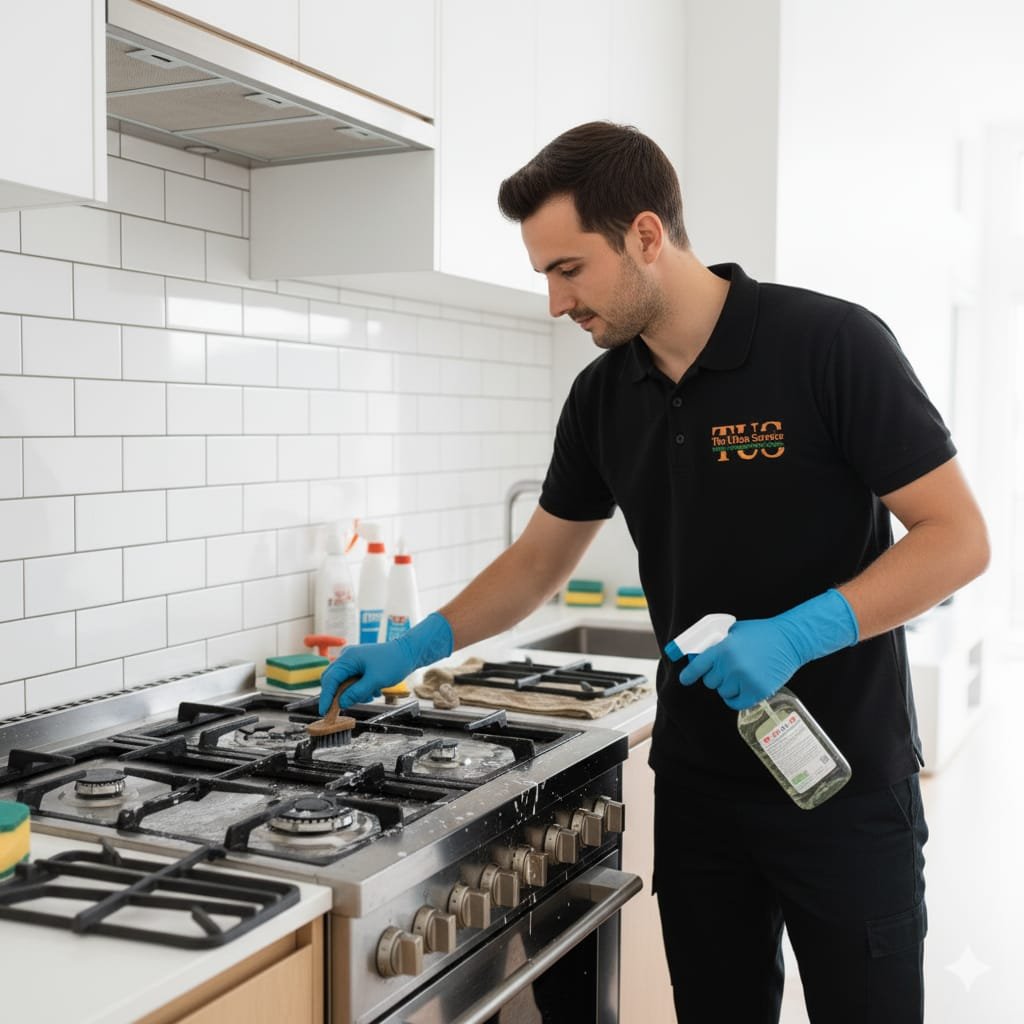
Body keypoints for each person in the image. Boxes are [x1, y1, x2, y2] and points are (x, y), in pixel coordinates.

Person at [318, 121, 990, 1023]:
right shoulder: (603, 396)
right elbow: (539, 560)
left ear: (644, 234)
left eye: (569, 270)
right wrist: (417, 644)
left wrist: (801, 632)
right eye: (544, 277)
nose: (557, 304)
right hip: (704, 787)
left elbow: (957, 538)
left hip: (844, 783)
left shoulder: (829, 344)